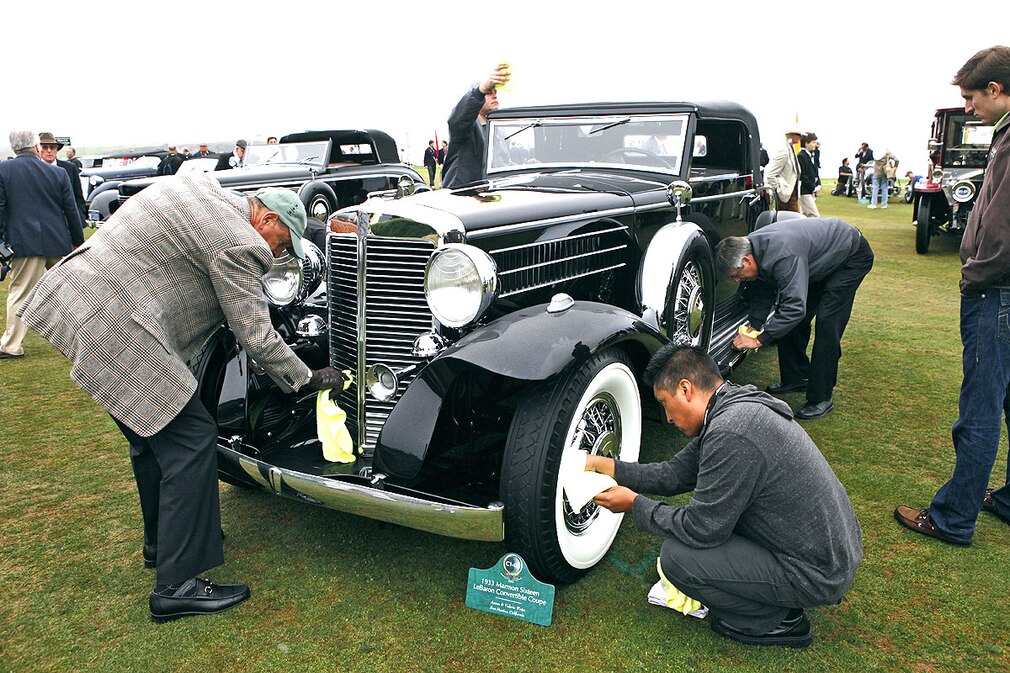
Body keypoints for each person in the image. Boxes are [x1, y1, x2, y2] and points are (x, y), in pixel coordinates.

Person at [19, 174, 348, 621]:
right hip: (118, 323)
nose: (278, 255)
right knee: (191, 439)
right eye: (282, 243)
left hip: (73, 295)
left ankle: (162, 541)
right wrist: (307, 377)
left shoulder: (199, 187)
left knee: (149, 436)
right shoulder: (239, 241)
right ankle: (177, 586)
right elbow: (256, 336)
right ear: (266, 218)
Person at [587, 344, 861, 648]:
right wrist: (607, 466)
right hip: (821, 551)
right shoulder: (732, 407)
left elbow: (702, 528)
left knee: (678, 560)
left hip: (816, 571)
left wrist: (634, 504)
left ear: (686, 389)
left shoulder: (732, 432)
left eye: (664, 403)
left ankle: (777, 620)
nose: (667, 418)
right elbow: (674, 474)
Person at [895, 45, 1010, 546]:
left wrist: (975, 276)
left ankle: (953, 517)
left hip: (997, 292)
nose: (968, 107)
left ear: (996, 89)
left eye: (971, 96)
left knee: (979, 410)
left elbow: (1002, 225)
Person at [715, 217, 874, 419]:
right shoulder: (752, 249)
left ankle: (821, 397)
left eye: (736, 274)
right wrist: (754, 326)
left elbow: (795, 307)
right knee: (791, 319)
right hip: (819, 260)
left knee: (827, 323)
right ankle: (797, 377)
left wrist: (760, 339)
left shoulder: (782, 255)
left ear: (746, 260)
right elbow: (762, 293)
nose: (736, 280)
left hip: (850, 257)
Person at [0, 130, 84, 359]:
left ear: (14, 147)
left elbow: (0, 208)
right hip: (58, 240)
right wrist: (78, 241)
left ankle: (11, 345)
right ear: (35, 147)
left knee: (20, 293)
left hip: (24, 243)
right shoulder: (57, 173)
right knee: (72, 292)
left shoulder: (3, 169)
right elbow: (71, 211)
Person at [440, 64, 511, 189]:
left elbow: (500, 164)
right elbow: (457, 119)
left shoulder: (497, 132)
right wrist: (480, 90)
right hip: (462, 195)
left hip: (488, 196)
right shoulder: (467, 126)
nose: (494, 96)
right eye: (489, 92)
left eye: (495, 92)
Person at [38, 132, 87, 224]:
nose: (49, 151)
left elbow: (78, 196)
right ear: (38, 150)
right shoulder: (33, 170)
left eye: (52, 147)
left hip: (68, 222)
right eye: (45, 147)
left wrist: (79, 218)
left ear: (56, 150)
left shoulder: (70, 168)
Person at [763, 129, 802, 213]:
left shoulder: (790, 149)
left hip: (791, 194)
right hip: (785, 196)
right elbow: (770, 175)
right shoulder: (783, 151)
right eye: (798, 135)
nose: (800, 138)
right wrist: (780, 189)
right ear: (791, 135)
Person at [797, 133, 820, 217]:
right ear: (806, 143)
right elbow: (802, 175)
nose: (815, 144)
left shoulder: (811, 155)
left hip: (809, 190)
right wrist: (812, 187)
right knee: (814, 215)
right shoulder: (801, 156)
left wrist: (818, 183)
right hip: (804, 190)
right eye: (813, 142)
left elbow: (815, 171)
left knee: (804, 215)